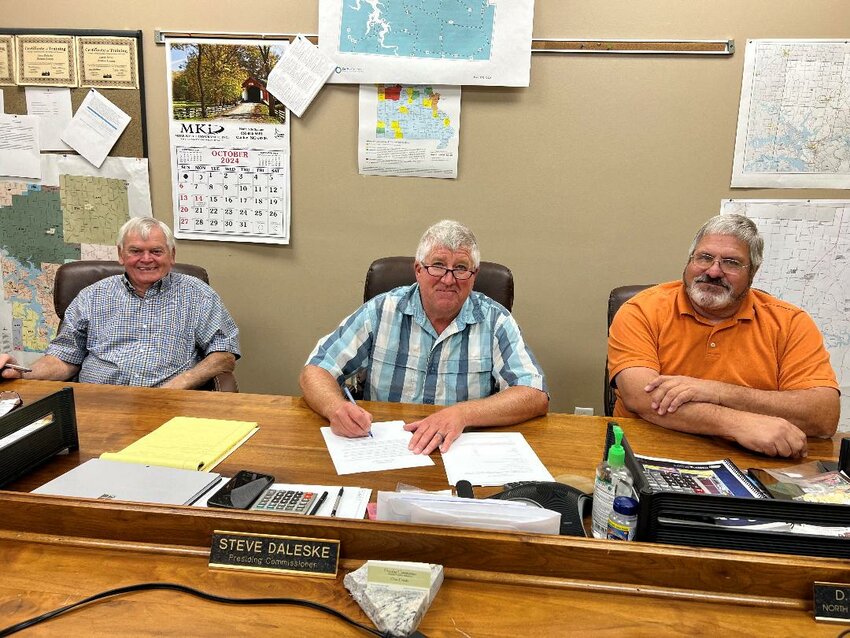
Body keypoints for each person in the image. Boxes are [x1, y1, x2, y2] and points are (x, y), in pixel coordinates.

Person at [300, 219, 548, 454]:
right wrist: (336, 408)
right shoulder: (381, 311)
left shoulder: (496, 321)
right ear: (418, 269)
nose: (448, 279)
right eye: (438, 265)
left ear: (474, 275)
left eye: (461, 268)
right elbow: (316, 370)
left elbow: (533, 394)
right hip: (384, 450)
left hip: (458, 451)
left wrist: (462, 414)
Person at [608, 214, 839, 458]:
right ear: (689, 261)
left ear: (753, 272)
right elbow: (641, 398)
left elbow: (823, 415)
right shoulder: (642, 310)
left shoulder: (790, 323)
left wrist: (715, 391)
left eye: (731, 262)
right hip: (646, 453)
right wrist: (738, 423)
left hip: (755, 460)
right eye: (705, 257)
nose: (714, 271)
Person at [0, 217, 240, 389]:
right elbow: (63, 358)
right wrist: (21, 373)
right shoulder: (92, 296)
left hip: (169, 403)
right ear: (121, 254)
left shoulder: (197, 294)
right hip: (99, 403)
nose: (146, 259)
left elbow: (223, 356)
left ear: (172, 255)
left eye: (156, 251)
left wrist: (178, 386)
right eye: (136, 251)